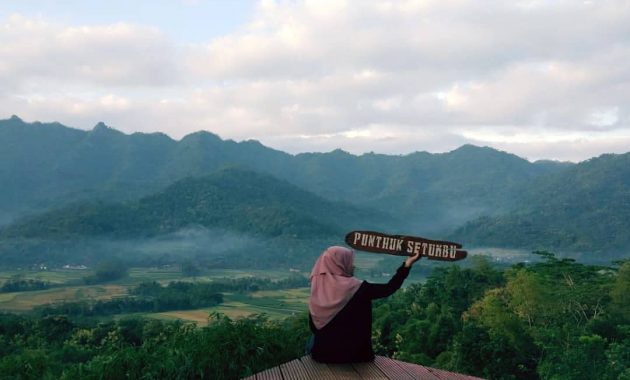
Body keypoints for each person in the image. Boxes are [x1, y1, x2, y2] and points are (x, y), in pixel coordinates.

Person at [308, 245, 421, 363]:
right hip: (355, 356)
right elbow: (389, 288)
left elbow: (314, 327)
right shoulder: (359, 288)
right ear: (340, 264)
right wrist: (407, 264)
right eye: (349, 261)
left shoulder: (317, 289)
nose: (353, 265)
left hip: (322, 355)